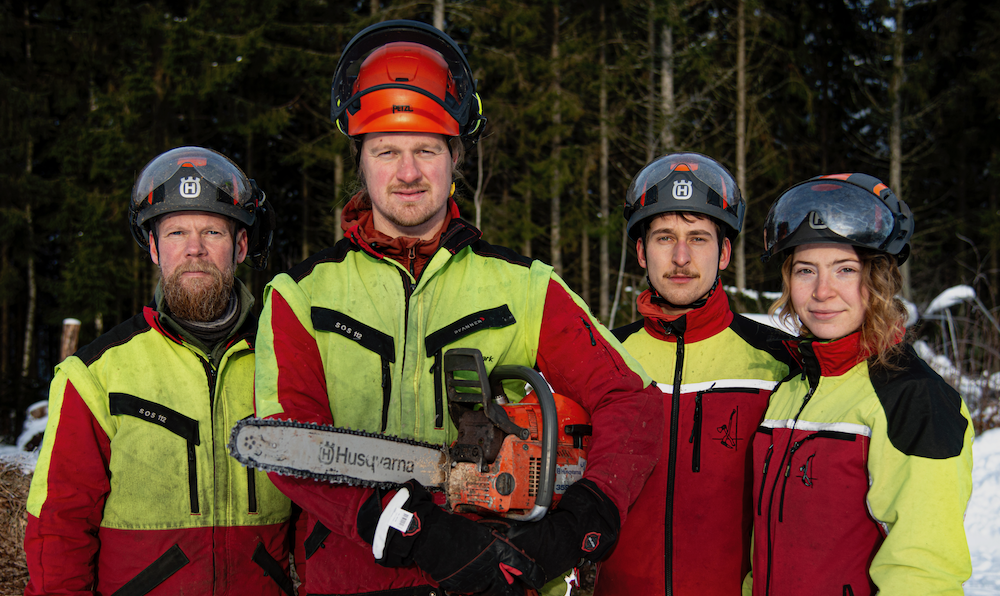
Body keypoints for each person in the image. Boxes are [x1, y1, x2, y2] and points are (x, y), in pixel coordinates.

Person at [252, 19, 662, 596]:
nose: (409, 172)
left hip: (499, 573)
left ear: (454, 158)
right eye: (387, 150)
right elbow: (283, 443)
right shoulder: (301, 294)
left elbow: (633, 401)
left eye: (426, 149)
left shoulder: (522, 285)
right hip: (352, 577)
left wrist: (580, 523)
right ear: (361, 160)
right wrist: (395, 524)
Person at [24, 147, 294, 595]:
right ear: (152, 247)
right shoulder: (95, 374)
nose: (194, 249)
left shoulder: (287, 356)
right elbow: (59, 524)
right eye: (175, 233)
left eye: (212, 230)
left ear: (241, 246)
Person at [750, 173, 973, 595]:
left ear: (878, 280)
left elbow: (923, 572)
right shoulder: (792, 389)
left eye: (845, 269)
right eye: (805, 270)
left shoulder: (913, 398)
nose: (822, 291)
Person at [595, 153, 796, 595]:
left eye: (699, 238)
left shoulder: (779, 363)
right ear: (640, 250)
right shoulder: (603, 357)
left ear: (723, 253)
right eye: (665, 237)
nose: (681, 257)